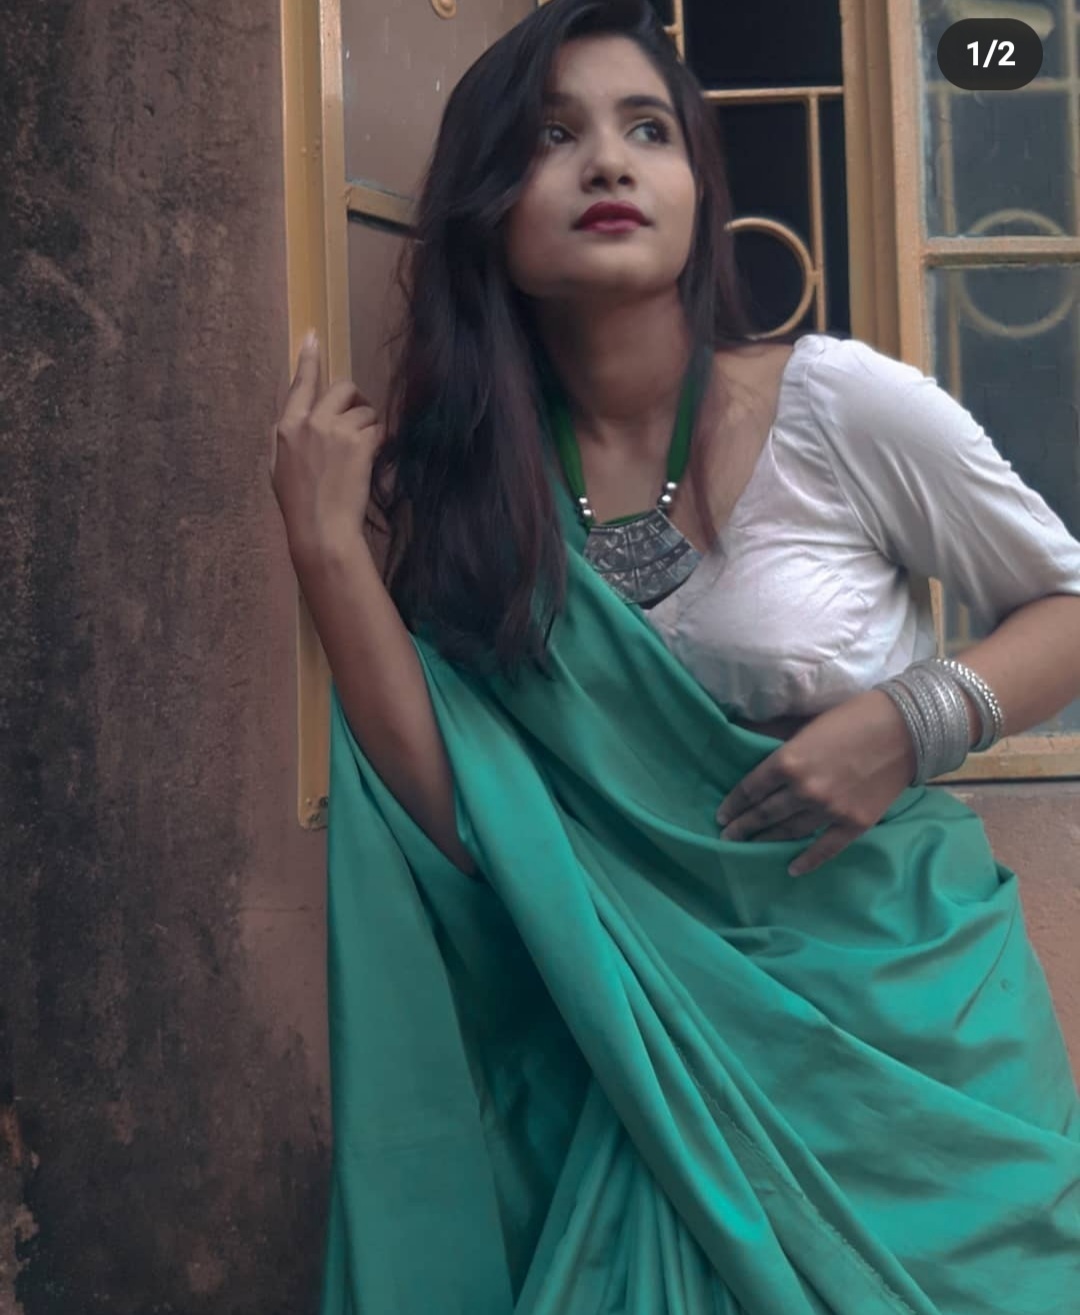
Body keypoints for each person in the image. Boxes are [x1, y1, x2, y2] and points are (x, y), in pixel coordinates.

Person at [269, 1, 1080, 1311]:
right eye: (553, 135)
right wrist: (327, 552)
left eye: (647, 129)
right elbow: (468, 815)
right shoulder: (476, 493)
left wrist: (913, 721)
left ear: (700, 189)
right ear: (488, 204)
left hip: (911, 1059)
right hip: (639, 1059)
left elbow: (1068, 602)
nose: (607, 160)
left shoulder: (838, 406)